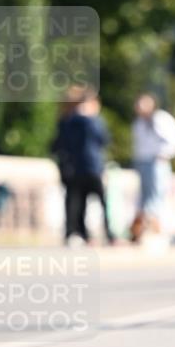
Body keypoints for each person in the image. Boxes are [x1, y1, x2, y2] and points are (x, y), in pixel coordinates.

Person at [52, 86, 114, 245]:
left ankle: (109, 234)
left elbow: (103, 139)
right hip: (75, 168)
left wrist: (90, 118)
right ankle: (76, 233)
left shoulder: (94, 121)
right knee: (76, 204)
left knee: (103, 202)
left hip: (93, 167)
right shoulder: (69, 121)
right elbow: (61, 144)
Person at [131, 93, 175, 242]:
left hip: (157, 162)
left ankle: (157, 228)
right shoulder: (139, 123)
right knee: (145, 196)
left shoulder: (161, 119)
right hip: (143, 161)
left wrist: (165, 153)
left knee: (157, 194)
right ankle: (143, 229)